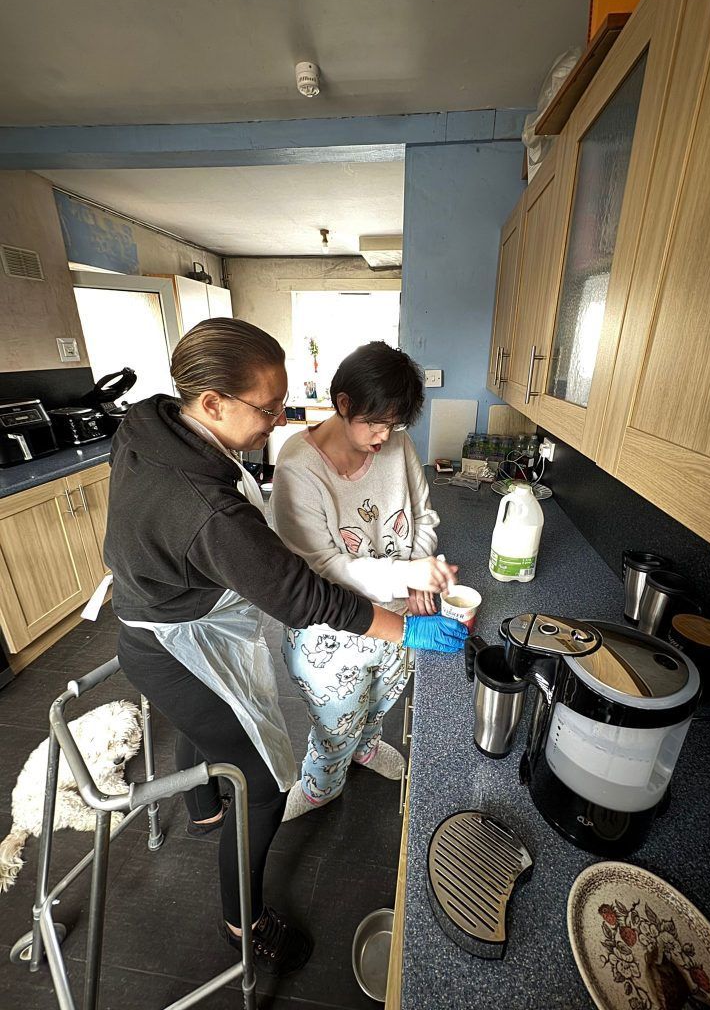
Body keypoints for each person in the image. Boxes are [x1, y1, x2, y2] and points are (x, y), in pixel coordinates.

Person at [103, 318, 466, 977]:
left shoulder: (152, 418)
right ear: (211, 402)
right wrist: (407, 629)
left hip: (163, 608)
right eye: (267, 409)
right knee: (265, 786)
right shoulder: (208, 508)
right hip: (171, 645)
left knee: (214, 724)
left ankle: (203, 809)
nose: (278, 421)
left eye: (280, 403)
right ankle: (241, 921)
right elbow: (307, 597)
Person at [271, 342, 453, 821]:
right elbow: (324, 565)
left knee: (380, 699)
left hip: (398, 617)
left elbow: (423, 516)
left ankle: (366, 746)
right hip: (330, 634)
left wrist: (418, 574)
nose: (383, 436)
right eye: (375, 422)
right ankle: (321, 782)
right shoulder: (298, 467)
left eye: (392, 424)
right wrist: (406, 573)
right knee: (335, 721)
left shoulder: (397, 444)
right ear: (344, 403)